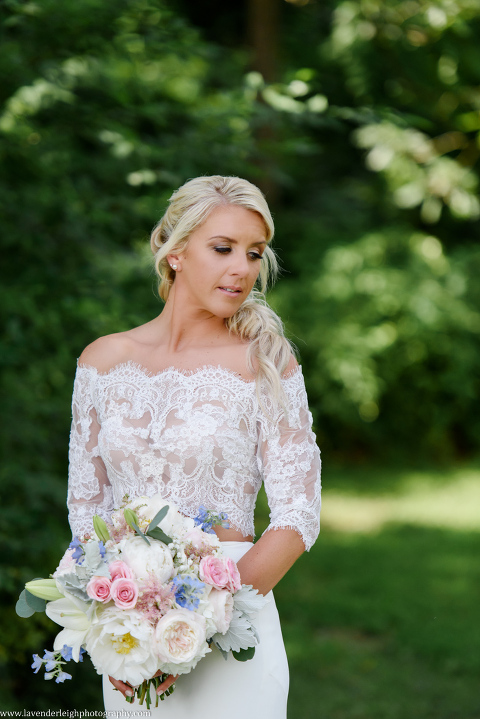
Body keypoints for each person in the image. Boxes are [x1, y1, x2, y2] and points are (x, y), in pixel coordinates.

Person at [67, 175, 321, 718]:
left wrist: (207, 615)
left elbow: (298, 515)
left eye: (254, 253)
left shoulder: (265, 365)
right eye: (223, 248)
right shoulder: (101, 363)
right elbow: (87, 509)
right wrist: (124, 616)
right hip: (129, 633)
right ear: (174, 251)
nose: (242, 269)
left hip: (236, 626)